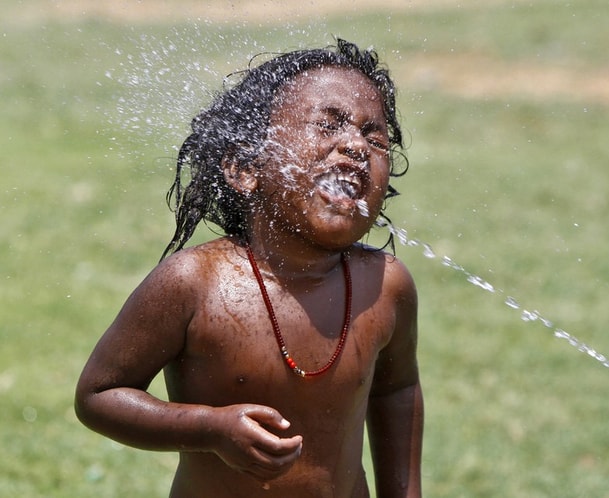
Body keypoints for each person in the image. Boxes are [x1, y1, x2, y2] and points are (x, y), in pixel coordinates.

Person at [75, 38, 423, 498]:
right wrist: (210, 428)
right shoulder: (196, 283)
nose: (356, 145)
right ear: (245, 169)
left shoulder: (385, 285)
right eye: (327, 125)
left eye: (375, 139)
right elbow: (99, 395)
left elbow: (397, 391)